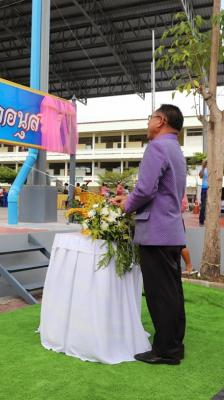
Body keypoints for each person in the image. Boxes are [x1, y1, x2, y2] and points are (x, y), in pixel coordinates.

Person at [112, 104, 187, 365]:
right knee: (172, 292)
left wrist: (125, 206)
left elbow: (145, 190)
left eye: (150, 118)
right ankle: (174, 345)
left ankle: (165, 351)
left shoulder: (156, 147)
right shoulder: (176, 149)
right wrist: (129, 199)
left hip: (156, 233)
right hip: (171, 231)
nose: (148, 123)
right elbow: (162, 192)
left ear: (161, 120)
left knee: (160, 295)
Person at [180, 194, 197, 275]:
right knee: (180, 244)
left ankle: (189, 266)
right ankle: (188, 266)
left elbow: (184, 205)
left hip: (175, 219)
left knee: (181, 245)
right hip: (176, 219)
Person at [198, 160, 208, 226]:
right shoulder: (203, 169)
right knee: (203, 206)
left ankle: (209, 220)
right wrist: (203, 167)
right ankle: (201, 221)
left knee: (210, 205)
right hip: (204, 189)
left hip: (210, 189)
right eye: (206, 162)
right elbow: (200, 176)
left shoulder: (212, 169)